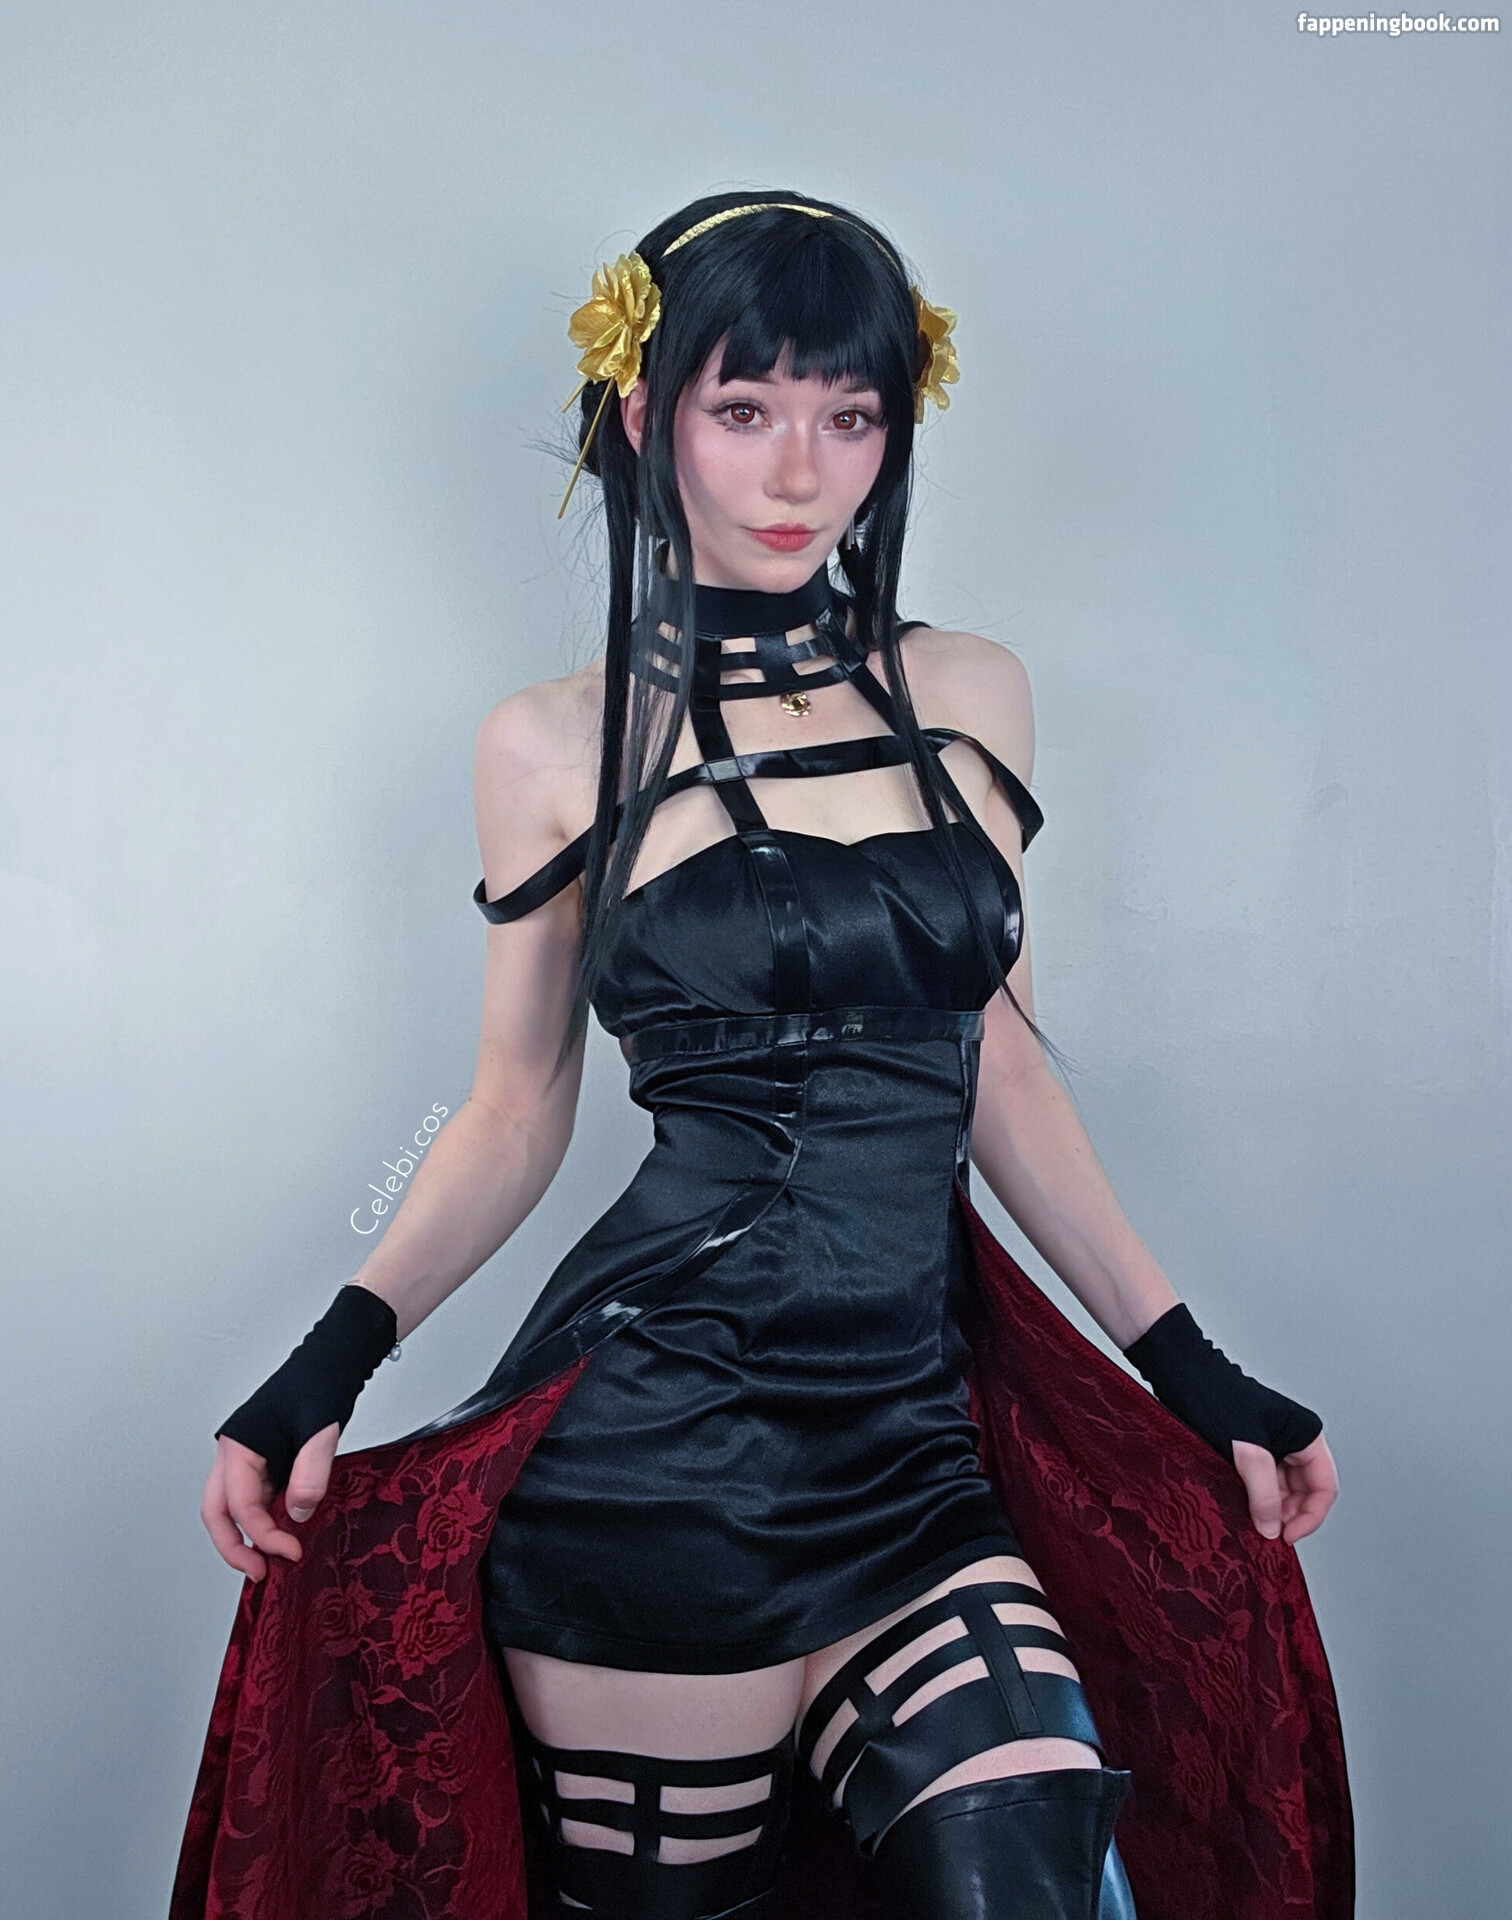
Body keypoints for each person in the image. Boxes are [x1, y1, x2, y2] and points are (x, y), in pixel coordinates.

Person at [187, 193, 1345, 1920]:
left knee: (1035, 1849)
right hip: (658, 1461)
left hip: (909, 1445)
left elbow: (1000, 1066)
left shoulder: (972, 695)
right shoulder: (552, 745)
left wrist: (1198, 1373)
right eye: (745, 409)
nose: (803, 471)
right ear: (645, 417)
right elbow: (511, 1107)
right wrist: (321, 1367)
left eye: (850, 415)